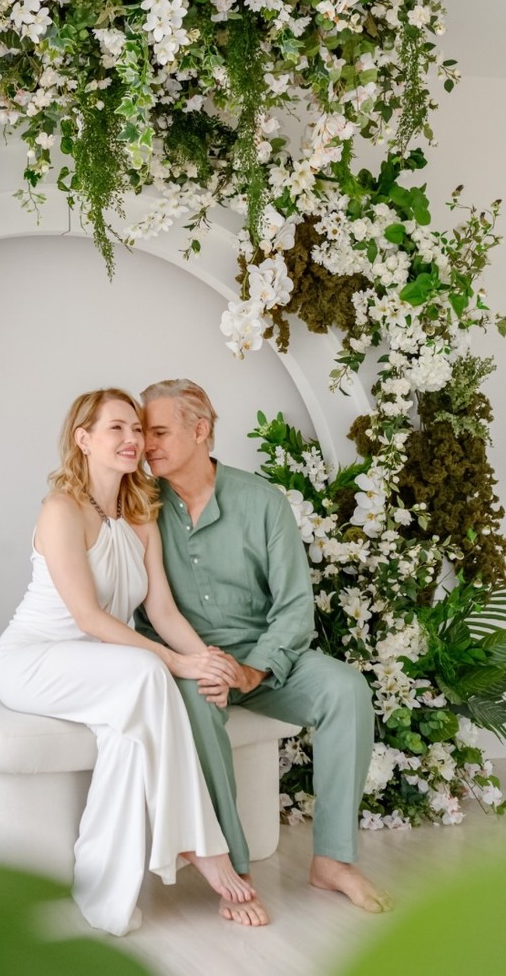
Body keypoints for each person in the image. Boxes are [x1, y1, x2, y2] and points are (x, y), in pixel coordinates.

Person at [0, 388, 263, 937]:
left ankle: (100, 896)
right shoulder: (61, 510)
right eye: (116, 428)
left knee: (128, 740)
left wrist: (206, 660)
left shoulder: (139, 512)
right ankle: (198, 843)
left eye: (136, 429)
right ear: (83, 439)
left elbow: (160, 609)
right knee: (148, 673)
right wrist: (175, 664)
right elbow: (90, 618)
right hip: (34, 662)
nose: (133, 439)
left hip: (100, 669)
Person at [139, 378, 392, 927]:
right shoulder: (140, 508)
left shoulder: (261, 502)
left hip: (267, 659)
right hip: (191, 662)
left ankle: (333, 860)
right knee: (199, 695)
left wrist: (253, 671)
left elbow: (295, 606)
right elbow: (140, 610)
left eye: (159, 431)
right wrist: (195, 663)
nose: (147, 443)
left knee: (346, 689)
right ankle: (235, 866)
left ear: (200, 429)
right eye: (143, 432)